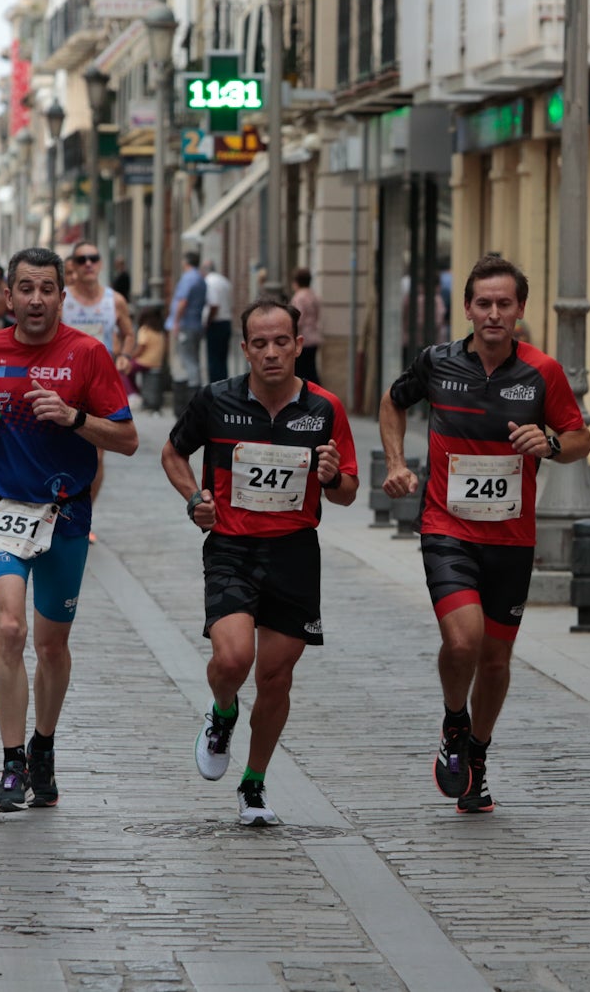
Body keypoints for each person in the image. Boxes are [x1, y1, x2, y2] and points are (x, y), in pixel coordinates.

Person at [379, 254, 590, 813]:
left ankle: (477, 752)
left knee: (495, 662)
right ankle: (454, 722)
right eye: (483, 303)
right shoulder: (437, 362)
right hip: (446, 527)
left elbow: (579, 439)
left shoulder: (542, 372)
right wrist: (397, 463)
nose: (493, 313)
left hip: (513, 539)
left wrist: (548, 444)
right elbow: (393, 403)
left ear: (520, 310)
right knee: (462, 640)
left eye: (504, 304)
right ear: (467, 308)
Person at [0, 246, 139, 813]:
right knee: (10, 629)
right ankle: (11, 766)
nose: (35, 299)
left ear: (61, 295)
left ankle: (43, 747)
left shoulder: (87, 354)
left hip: (66, 512)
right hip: (2, 507)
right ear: (8, 296)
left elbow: (126, 440)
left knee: (52, 645)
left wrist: (75, 418)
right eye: (24, 288)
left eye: (47, 289)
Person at [162, 297, 359, 827]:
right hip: (231, 547)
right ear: (245, 348)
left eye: (281, 342)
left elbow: (347, 494)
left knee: (275, 677)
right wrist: (192, 500)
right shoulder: (215, 401)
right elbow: (173, 453)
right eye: (260, 344)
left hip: (294, 553)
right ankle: (223, 712)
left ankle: (253, 784)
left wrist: (332, 476)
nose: (271, 353)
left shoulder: (324, 409)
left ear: (299, 345)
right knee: (231, 661)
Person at [61, 240, 136, 539]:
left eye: (94, 258)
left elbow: (129, 333)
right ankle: (58, 509)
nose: (89, 264)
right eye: (82, 260)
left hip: (101, 385)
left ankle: (83, 518)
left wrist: (125, 355)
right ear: (74, 267)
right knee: (63, 450)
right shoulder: (63, 301)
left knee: (99, 455)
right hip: (67, 382)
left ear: (101, 264)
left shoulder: (114, 300)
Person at [167, 251, 206, 405]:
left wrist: (176, 322)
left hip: (186, 325)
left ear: (186, 262)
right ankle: (194, 393)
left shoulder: (188, 278)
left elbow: (182, 302)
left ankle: (191, 398)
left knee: (188, 361)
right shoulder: (201, 278)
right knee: (193, 358)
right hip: (196, 323)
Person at [288, 267, 322, 386]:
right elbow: (317, 315)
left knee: (301, 371)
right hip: (314, 337)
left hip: (304, 339)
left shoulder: (299, 297)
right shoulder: (314, 295)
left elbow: (298, 319)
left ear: (296, 282)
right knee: (311, 369)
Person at [126, 303, 166, 402]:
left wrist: (129, 357)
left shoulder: (145, 329)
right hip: (157, 362)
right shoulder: (160, 331)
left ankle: (133, 394)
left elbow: (140, 348)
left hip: (145, 361)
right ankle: (137, 392)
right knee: (130, 371)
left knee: (123, 369)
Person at [202, 260, 233, 384]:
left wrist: (208, 322)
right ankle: (224, 384)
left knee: (214, 359)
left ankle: (216, 387)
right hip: (226, 321)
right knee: (222, 358)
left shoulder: (209, 282)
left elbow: (214, 305)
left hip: (216, 323)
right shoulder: (224, 281)